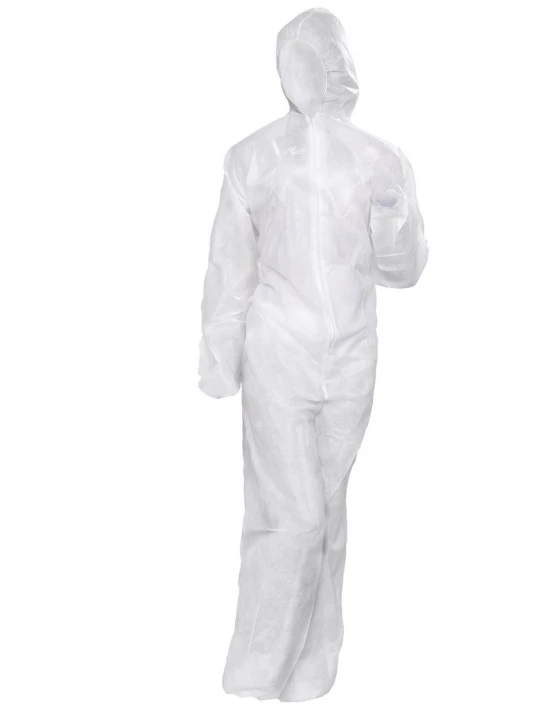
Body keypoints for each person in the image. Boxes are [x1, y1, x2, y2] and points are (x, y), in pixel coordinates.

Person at [199, 7, 428, 701]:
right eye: (298, 59)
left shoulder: (380, 158)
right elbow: (229, 266)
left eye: (319, 58)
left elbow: (405, 269)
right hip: (279, 354)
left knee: (326, 515)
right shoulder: (252, 157)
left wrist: (393, 213)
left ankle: (310, 669)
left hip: (352, 360)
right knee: (291, 517)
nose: (309, 71)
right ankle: (254, 671)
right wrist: (219, 356)